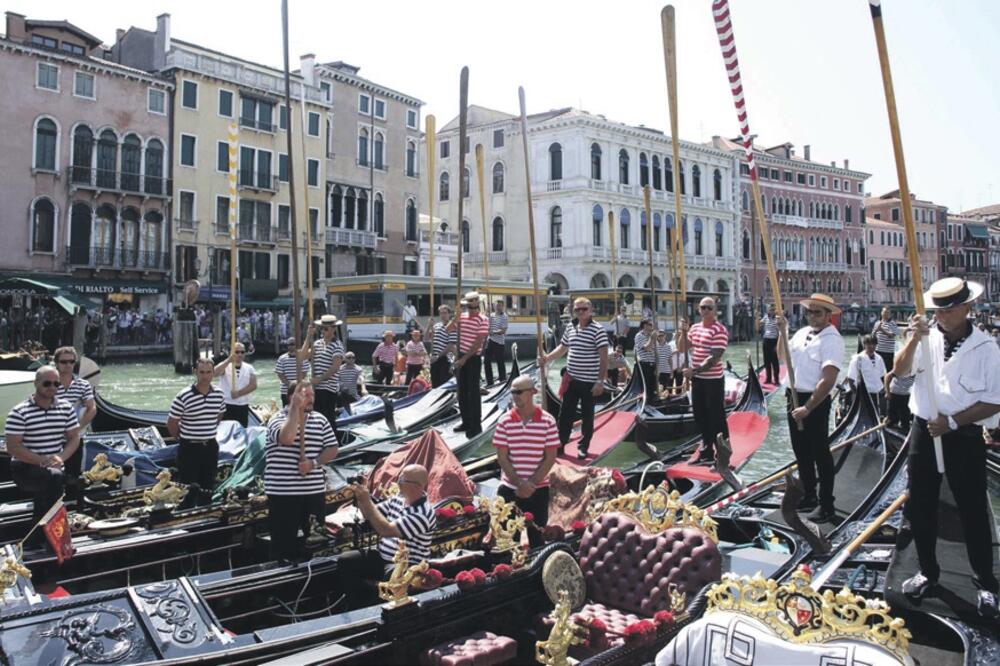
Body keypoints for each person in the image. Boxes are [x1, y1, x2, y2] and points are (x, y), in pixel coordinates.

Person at [894, 278, 1000, 617]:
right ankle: (927, 572)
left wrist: (953, 422)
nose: (941, 316)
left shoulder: (987, 349)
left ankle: (985, 582)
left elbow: (994, 402)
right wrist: (912, 339)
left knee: (972, 511)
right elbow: (899, 372)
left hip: (964, 435)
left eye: (948, 310)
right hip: (924, 430)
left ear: (967, 308)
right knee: (921, 505)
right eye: (938, 309)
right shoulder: (926, 340)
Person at [778, 293, 844, 523]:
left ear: (828, 315)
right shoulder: (801, 333)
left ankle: (826, 505)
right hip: (792, 395)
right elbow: (781, 356)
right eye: (809, 312)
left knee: (820, 453)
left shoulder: (832, 340)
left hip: (814, 400)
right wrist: (782, 332)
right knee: (801, 451)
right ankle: (808, 496)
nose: (812, 316)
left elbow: (828, 380)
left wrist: (807, 408)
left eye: (817, 312)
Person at [338, 464, 436, 609]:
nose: (398, 482)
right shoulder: (398, 499)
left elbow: (385, 530)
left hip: (407, 567)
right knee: (346, 560)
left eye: (402, 479)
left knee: (392, 577)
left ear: (418, 486)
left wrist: (366, 500)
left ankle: (377, 611)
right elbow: (371, 514)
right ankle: (354, 605)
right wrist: (361, 496)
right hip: (382, 556)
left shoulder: (423, 515)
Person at [4, 366, 80, 545]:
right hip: (24, 468)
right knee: (54, 478)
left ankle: (41, 534)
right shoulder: (20, 412)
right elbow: (13, 447)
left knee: (53, 478)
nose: (52, 387)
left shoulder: (65, 408)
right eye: (47, 383)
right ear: (36, 384)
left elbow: (74, 438)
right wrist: (43, 461)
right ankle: (48, 535)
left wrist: (61, 457)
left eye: (56, 384)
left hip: (53, 467)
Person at [265, 381, 339, 562]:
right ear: (292, 398)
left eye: (312, 395)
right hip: (283, 494)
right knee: (284, 544)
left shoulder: (320, 419)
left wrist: (313, 463)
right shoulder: (277, 419)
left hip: (313, 493)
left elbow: (332, 448)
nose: (311, 399)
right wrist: (294, 412)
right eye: (306, 395)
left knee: (316, 539)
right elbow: (287, 438)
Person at [539, 297, 608, 460]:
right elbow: (562, 348)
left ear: (590, 310)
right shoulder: (570, 326)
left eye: (584, 309)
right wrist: (546, 358)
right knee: (565, 415)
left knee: (587, 416)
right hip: (571, 379)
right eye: (577, 310)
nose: (581, 312)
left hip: (589, 382)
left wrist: (600, 382)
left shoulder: (598, 330)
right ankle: (560, 444)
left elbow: (604, 358)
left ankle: (583, 447)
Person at [494, 375, 559, 547]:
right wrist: (519, 483)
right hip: (510, 486)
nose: (515, 396)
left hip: (538, 488)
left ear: (532, 392)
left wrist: (531, 483)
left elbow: (550, 458)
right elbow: (502, 457)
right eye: (513, 392)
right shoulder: (504, 421)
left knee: (537, 538)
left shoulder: (548, 421)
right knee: (506, 539)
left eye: (519, 392)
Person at [167, 357, 226, 505]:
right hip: (189, 448)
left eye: (208, 372)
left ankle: (206, 515)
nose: (205, 376)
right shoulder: (183, 396)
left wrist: (207, 429)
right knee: (187, 488)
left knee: (207, 486)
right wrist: (182, 438)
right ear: (195, 372)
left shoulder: (219, 394)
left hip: (210, 446)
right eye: (201, 372)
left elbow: (219, 415)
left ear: (213, 373)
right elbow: (172, 423)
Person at [683, 298, 731, 464]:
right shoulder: (694, 328)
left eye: (709, 308)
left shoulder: (720, 330)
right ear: (699, 309)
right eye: (703, 307)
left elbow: (714, 358)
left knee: (716, 416)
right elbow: (683, 347)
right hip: (697, 380)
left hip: (713, 381)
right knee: (699, 415)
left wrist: (693, 371)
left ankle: (724, 450)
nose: (705, 310)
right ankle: (707, 448)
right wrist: (682, 332)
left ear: (715, 310)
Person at [450, 292, 489, 436]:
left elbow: (478, 343)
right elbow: (448, 329)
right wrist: (455, 317)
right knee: (461, 392)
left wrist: (464, 359)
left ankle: (475, 425)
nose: (471, 310)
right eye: (468, 306)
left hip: (473, 359)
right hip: (461, 356)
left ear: (477, 304)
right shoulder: (462, 316)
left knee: (473, 393)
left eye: (473, 306)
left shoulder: (483, 319)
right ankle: (466, 421)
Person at [308, 315, 344, 427]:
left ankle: (331, 442)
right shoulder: (317, 343)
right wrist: (309, 337)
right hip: (316, 388)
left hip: (328, 388)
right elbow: (304, 356)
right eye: (321, 328)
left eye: (326, 329)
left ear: (333, 329)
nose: (323, 331)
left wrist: (319, 379)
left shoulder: (337, 345)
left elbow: (336, 367)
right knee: (316, 417)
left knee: (327, 418)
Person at [52, 345, 96, 435]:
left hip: (77, 432)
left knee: (84, 409)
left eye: (71, 362)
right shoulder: (48, 385)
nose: (68, 365)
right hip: (54, 432)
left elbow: (92, 409)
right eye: (63, 362)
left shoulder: (83, 384)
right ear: (56, 363)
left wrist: (77, 428)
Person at [214, 342, 257, 427]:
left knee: (242, 430)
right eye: (237, 352)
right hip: (226, 405)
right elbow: (214, 373)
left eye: (242, 352)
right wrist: (228, 360)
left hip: (242, 405)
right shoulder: (225, 366)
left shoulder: (249, 368)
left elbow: (253, 385)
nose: (240, 354)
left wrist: (239, 393)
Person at [846, 335, 887, 414]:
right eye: (869, 344)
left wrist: (884, 389)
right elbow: (850, 379)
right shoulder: (857, 359)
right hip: (862, 394)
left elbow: (883, 376)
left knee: (877, 413)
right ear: (864, 345)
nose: (871, 346)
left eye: (873, 344)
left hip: (876, 393)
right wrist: (856, 395)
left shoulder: (879, 358)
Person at [427, 305, 456, 388]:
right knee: (435, 385)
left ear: (449, 314)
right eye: (441, 313)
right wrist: (429, 326)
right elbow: (428, 340)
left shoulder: (452, 326)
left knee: (444, 384)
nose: (443, 315)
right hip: (434, 359)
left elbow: (451, 345)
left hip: (445, 359)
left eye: (445, 313)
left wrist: (438, 357)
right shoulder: (436, 326)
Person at [275, 338, 309, 407]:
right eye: (288, 344)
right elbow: (280, 374)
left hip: (299, 390)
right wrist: (289, 384)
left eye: (292, 344)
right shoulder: (282, 358)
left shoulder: (303, 358)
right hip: (285, 391)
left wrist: (296, 384)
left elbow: (304, 373)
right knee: (286, 411)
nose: (290, 346)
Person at [632, 319, 658, 403]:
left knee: (652, 388)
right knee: (645, 387)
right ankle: (644, 403)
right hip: (644, 365)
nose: (652, 326)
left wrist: (657, 366)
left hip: (652, 365)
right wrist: (652, 338)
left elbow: (656, 353)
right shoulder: (639, 336)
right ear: (645, 325)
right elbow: (647, 348)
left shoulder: (651, 336)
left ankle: (651, 403)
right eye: (650, 324)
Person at [484, 299, 508, 385]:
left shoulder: (504, 316)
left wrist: (493, 332)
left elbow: (503, 330)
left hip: (499, 343)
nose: (498, 307)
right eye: (497, 305)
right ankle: (489, 381)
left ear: (503, 306)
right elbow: (488, 326)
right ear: (495, 306)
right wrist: (488, 330)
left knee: (500, 362)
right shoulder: (491, 315)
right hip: (490, 341)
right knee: (486, 361)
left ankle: (503, 379)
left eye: (500, 305)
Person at [872, 307, 898, 372]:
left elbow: (892, 335)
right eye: (884, 312)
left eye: (887, 312)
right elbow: (873, 336)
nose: (885, 314)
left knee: (888, 370)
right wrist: (876, 331)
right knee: (877, 370)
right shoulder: (877, 323)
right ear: (881, 313)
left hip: (888, 352)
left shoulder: (892, 323)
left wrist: (881, 330)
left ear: (890, 314)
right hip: (878, 350)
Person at [760, 304, 780, 385]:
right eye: (770, 310)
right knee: (767, 361)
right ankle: (768, 379)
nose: (771, 311)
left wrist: (779, 322)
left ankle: (776, 380)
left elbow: (781, 328)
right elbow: (759, 325)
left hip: (774, 341)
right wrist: (756, 317)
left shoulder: (777, 318)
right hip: (766, 340)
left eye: (772, 310)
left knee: (775, 361)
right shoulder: (765, 317)